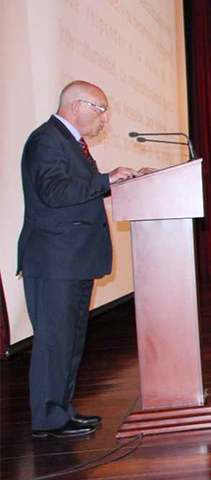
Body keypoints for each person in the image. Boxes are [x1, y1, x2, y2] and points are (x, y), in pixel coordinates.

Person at [18, 81, 139, 438]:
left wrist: (124, 181)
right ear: (77, 106)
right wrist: (105, 180)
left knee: (69, 342)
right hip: (55, 261)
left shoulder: (70, 143)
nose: (104, 120)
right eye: (100, 110)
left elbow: (78, 191)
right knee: (54, 342)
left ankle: (61, 411)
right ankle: (48, 416)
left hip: (73, 259)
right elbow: (55, 192)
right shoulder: (46, 140)